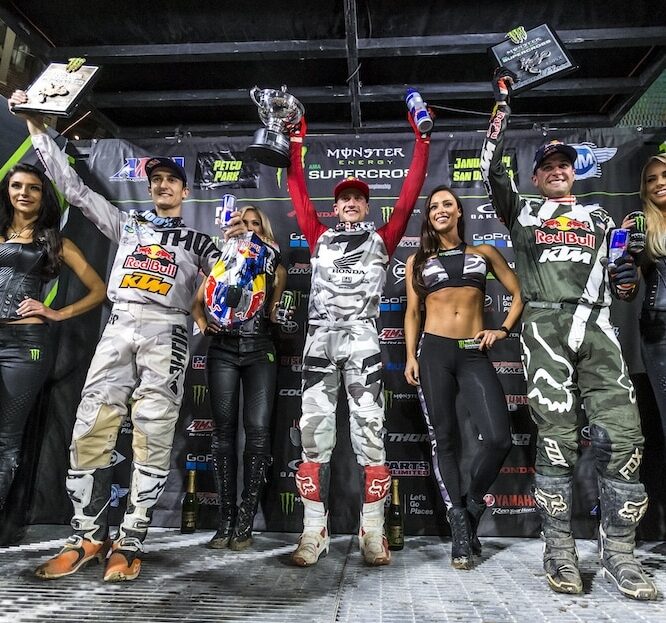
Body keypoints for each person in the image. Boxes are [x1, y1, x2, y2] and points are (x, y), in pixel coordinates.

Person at [9, 90, 230, 582]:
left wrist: (239, 247)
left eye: (173, 180)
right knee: (90, 428)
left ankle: (129, 542)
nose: (164, 185)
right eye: (158, 180)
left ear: (186, 192)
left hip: (166, 335)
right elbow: (77, 191)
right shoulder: (128, 224)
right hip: (119, 325)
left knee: (152, 436)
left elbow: (233, 288)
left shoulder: (203, 241)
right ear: (150, 188)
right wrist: (35, 127)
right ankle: (86, 536)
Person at [479, 70, 657, 600]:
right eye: (547, 167)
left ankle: (619, 553)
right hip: (545, 327)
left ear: (574, 172)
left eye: (563, 165)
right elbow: (490, 172)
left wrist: (627, 277)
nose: (557, 171)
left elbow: (624, 283)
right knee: (555, 443)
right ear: (536, 178)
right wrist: (501, 108)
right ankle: (559, 550)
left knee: (624, 437)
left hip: (598, 326)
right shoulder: (524, 211)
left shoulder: (603, 217)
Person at [286, 113, 430, 567]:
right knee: (313, 438)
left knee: (372, 436)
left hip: (363, 341)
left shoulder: (385, 238)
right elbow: (297, 190)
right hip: (319, 341)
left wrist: (421, 142)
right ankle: (314, 531)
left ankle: (372, 532)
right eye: (344, 197)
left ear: (367, 208)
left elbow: (408, 198)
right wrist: (296, 142)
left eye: (358, 198)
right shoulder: (318, 235)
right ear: (336, 206)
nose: (351, 202)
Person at [403, 184, 522, 569]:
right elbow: (412, 313)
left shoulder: (483, 253)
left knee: (499, 437)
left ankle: (472, 506)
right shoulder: (417, 260)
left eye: (447, 204)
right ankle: (458, 526)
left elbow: (519, 293)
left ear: (459, 213)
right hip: (434, 351)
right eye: (434, 206)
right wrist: (409, 356)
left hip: (473, 352)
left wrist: (502, 329)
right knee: (445, 439)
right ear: (429, 216)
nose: (441, 210)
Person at [0, 163, 106, 516]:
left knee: (7, 438)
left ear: (43, 195)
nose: (24, 193)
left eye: (33, 187)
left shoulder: (53, 241)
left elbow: (99, 290)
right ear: (7, 190)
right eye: (17, 186)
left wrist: (56, 313)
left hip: (25, 343)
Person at [192, 205, 286, 551]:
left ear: (265, 230)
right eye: (242, 223)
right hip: (222, 351)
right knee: (223, 433)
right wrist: (204, 324)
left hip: (261, 350)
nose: (247, 229)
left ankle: (245, 521)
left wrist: (276, 310)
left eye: (254, 224)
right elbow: (197, 303)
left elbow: (275, 308)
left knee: (258, 433)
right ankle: (225, 520)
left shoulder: (273, 260)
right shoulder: (222, 259)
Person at [627, 155, 666, 438]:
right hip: (660, 332)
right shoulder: (641, 225)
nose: (659, 183)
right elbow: (629, 290)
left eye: (664, 175)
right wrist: (624, 269)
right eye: (651, 179)